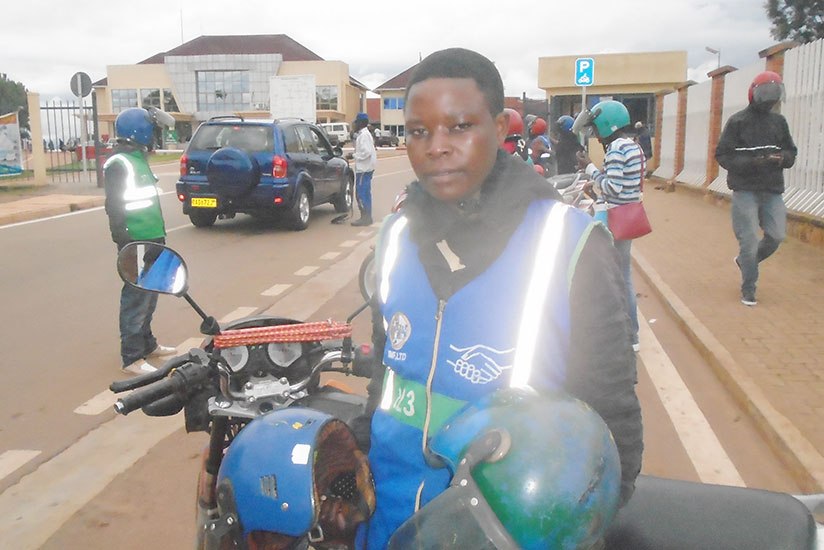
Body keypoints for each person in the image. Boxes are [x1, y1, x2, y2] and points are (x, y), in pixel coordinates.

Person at [353, 48, 643, 550]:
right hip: (388, 527)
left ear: (502, 125)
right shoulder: (395, 236)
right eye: (419, 131)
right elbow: (387, 374)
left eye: (459, 126)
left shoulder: (567, 243)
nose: (436, 147)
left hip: (504, 534)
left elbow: (613, 430)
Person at [104, 106, 177, 374]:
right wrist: (124, 240)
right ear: (141, 130)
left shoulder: (137, 159)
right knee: (135, 296)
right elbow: (114, 206)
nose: (155, 137)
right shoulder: (119, 163)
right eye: (152, 131)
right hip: (134, 240)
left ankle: (147, 344)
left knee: (150, 293)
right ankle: (132, 357)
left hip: (152, 237)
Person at [715, 71, 797, 306]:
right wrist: (753, 162)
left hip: (772, 190)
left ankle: (745, 261)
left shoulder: (779, 122)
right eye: (766, 93)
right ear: (754, 94)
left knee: (777, 235)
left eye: (774, 94)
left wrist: (781, 158)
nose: (770, 99)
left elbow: (792, 152)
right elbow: (722, 155)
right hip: (745, 190)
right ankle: (749, 288)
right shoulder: (737, 122)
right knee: (749, 240)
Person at [575, 100, 645, 351]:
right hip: (627, 217)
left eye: (597, 127)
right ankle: (631, 335)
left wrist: (592, 171)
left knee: (613, 277)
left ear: (607, 124)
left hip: (614, 218)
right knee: (623, 275)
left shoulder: (616, 148)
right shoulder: (634, 147)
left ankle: (624, 334)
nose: (596, 134)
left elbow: (612, 187)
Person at [350, 112, 377, 226]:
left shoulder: (364, 135)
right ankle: (367, 216)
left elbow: (366, 152)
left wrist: (353, 156)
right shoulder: (364, 134)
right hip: (367, 168)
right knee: (366, 193)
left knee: (361, 194)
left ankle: (365, 217)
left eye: (356, 122)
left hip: (364, 169)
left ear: (361, 123)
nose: (354, 124)